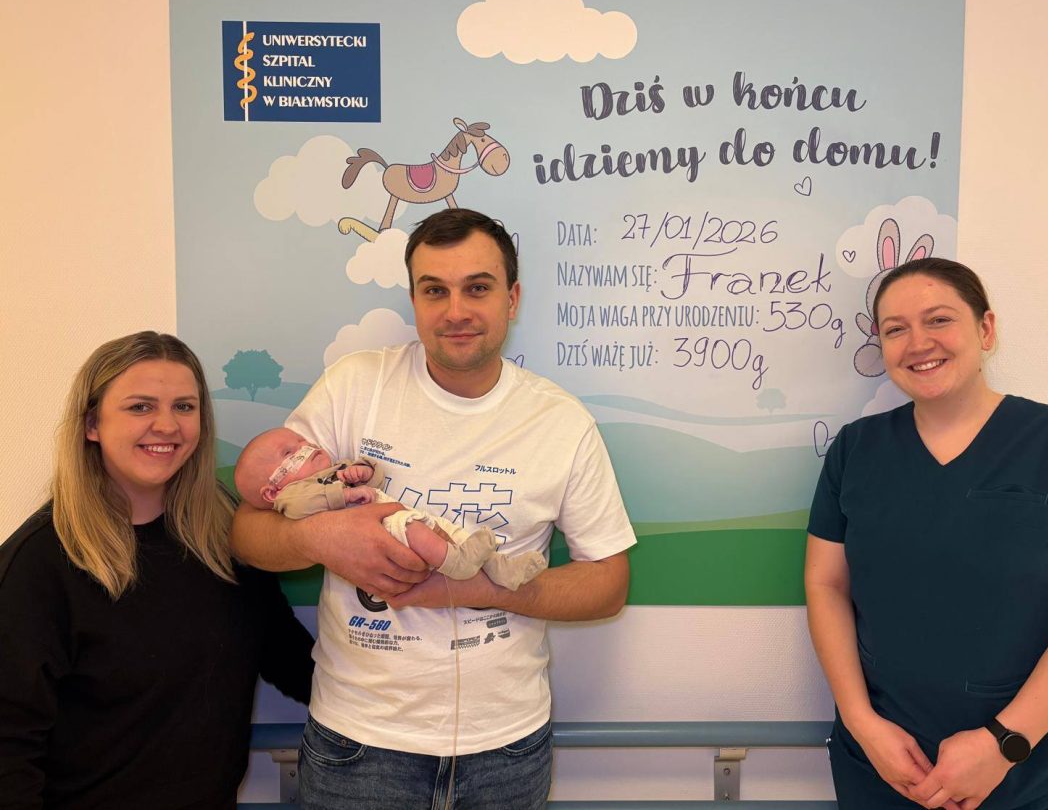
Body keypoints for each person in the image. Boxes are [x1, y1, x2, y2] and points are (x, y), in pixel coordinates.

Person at [231, 208, 636, 809]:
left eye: (478, 288)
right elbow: (248, 532)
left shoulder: (562, 422)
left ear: (512, 298)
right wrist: (319, 540)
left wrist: (480, 590)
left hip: (507, 750)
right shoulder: (353, 386)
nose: (456, 311)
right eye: (435, 290)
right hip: (357, 746)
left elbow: (608, 584)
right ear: (415, 300)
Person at [805, 258, 1048, 810]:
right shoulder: (854, 450)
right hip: (886, 770)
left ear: (986, 329)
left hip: (1034, 772)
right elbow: (826, 586)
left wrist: (1003, 744)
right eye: (895, 329)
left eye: (939, 320)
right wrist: (863, 724)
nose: (918, 343)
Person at [0, 331, 316, 808]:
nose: (167, 426)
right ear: (92, 424)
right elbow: (8, 750)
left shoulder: (225, 534)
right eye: (140, 407)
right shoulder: (38, 564)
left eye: (184, 407)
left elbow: (286, 656)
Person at [234, 426, 547, 592]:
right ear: (272, 490)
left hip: (393, 510)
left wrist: (365, 471)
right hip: (381, 530)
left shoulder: (334, 470)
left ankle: (501, 569)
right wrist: (343, 493)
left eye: (303, 440)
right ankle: (457, 565)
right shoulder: (291, 495)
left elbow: (376, 481)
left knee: (450, 531)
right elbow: (304, 505)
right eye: (289, 452)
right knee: (415, 532)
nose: (305, 447)